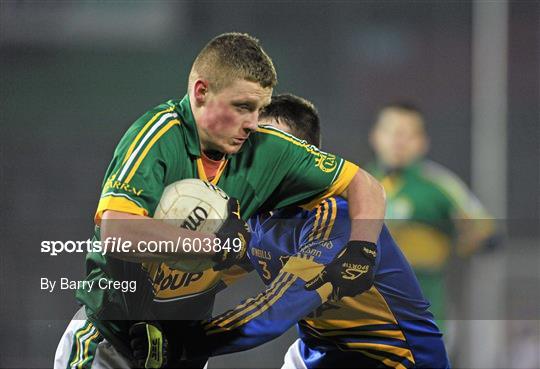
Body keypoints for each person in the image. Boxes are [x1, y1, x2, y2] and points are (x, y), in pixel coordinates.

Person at [54, 33, 385, 369]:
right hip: (111, 343)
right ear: (201, 92)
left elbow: (365, 184)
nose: (253, 123)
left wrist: (363, 248)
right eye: (242, 107)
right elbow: (117, 233)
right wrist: (213, 246)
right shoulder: (158, 137)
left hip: (181, 349)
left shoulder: (267, 148)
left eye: (259, 109)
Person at [151, 94, 449, 368]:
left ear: (303, 159)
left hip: (391, 358)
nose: (256, 159)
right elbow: (205, 278)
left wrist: (189, 342)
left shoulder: (338, 217)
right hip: (319, 353)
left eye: (275, 149)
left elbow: (276, 312)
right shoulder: (257, 213)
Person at [366, 102, 495, 331]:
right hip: (366, 311)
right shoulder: (355, 184)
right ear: (376, 136)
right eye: (392, 131)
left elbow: (485, 231)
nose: (398, 140)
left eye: (408, 134)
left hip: (424, 310)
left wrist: (472, 237)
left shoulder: (439, 186)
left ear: (422, 142)